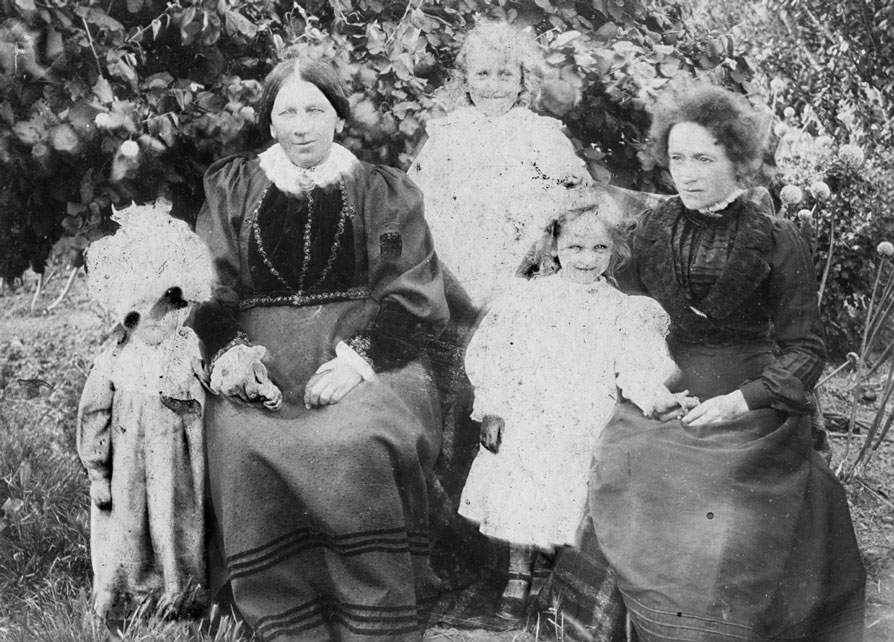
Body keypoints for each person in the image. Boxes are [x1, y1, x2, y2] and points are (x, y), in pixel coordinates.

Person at [589, 84, 866, 641]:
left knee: (730, 497)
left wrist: (745, 400)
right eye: (676, 159)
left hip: (753, 392)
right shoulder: (651, 228)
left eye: (703, 159)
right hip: (667, 384)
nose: (686, 174)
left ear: (736, 162)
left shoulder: (775, 237)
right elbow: (622, 320)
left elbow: (807, 347)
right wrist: (644, 384)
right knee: (633, 455)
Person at [192, 55, 449, 641]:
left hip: (364, 351)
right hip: (261, 355)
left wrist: (358, 361)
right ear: (270, 121)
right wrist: (229, 353)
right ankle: (286, 608)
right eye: (288, 112)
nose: (302, 125)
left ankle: (369, 608)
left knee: (357, 437)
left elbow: (410, 291)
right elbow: (210, 283)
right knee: (242, 436)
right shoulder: (234, 186)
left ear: (338, 118)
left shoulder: (383, 192)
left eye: (316, 109)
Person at [457, 188, 697, 620]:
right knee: (521, 483)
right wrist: (492, 407)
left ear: (616, 250)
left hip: (586, 416)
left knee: (572, 489)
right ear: (554, 246)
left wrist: (658, 399)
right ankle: (517, 573)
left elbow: (637, 368)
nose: (587, 258)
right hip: (530, 412)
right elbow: (496, 355)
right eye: (576, 247)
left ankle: (560, 576)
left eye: (599, 248)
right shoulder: (526, 300)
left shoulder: (623, 310)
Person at [77, 201, 212, 621]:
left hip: (180, 464)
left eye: (168, 302)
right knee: (129, 530)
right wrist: (98, 472)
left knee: (180, 526)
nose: (154, 320)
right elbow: (94, 413)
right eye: (140, 309)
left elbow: (208, 397)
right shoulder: (116, 357)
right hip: (130, 464)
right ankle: (131, 598)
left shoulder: (187, 348)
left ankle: (181, 593)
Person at [408, 19, 591, 309]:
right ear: (466, 80)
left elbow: (570, 200)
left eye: (505, 75)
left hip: (521, 263)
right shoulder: (448, 134)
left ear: (521, 81)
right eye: (482, 74)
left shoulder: (542, 134)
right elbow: (417, 201)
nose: (493, 86)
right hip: (456, 262)